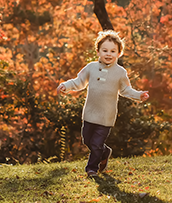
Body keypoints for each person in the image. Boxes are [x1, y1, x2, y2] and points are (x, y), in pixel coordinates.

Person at [57, 30, 149, 177]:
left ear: (119, 53)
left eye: (113, 51)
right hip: (89, 114)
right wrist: (66, 86)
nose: (108, 54)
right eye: (105, 50)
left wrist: (139, 95)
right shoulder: (91, 68)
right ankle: (105, 151)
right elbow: (79, 82)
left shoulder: (120, 72)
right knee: (88, 140)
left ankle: (92, 169)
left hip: (106, 116)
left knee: (95, 144)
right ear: (98, 51)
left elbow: (125, 89)